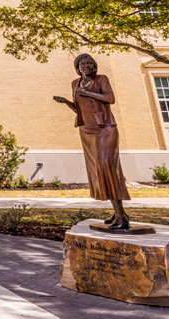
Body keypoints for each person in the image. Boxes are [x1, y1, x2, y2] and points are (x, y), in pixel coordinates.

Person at [52, 53, 132, 230]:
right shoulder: (75, 83)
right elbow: (78, 109)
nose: (87, 65)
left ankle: (121, 216)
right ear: (78, 67)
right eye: (83, 63)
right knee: (99, 170)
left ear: (94, 66)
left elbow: (110, 99)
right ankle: (119, 213)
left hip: (105, 128)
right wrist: (65, 101)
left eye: (89, 63)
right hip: (87, 129)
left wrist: (87, 92)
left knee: (107, 167)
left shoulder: (101, 79)